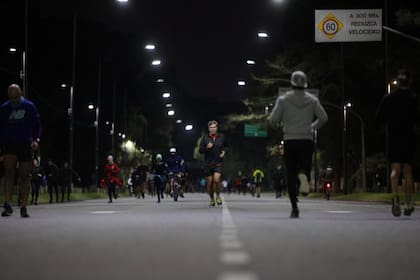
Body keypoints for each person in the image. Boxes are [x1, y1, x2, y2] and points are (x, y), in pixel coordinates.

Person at [269, 71, 328, 218]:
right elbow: (323, 118)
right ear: (305, 84)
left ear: (292, 83)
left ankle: (294, 208)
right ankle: (303, 176)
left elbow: (273, 119)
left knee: (290, 172)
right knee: (305, 167)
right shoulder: (312, 100)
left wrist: (280, 125)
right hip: (306, 139)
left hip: (290, 139)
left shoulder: (283, 100)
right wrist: (312, 127)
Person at [376, 69, 419, 217]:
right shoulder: (414, 98)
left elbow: (379, 117)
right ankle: (408, 203)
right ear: (410, 82)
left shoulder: (388, 98)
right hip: (409, 136)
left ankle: (395, 199)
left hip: (393, 136)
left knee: (395, 169)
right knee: (408, 171)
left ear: (398, 82)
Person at [0, 84, 41, 218]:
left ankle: (23, 205)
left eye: (16, 97)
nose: (14, 100)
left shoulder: (29, 106)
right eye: (11, 97)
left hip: (25, 144)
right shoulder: (5, 108)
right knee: (9, 172)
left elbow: (37, 125)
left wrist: (36, 140)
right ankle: (7, 204)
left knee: (24, 176)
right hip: (9, 145)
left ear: (20, 93)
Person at [199, 120, 228, 207]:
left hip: (218, 162)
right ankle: (211, 199)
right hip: (208, 164)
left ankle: (218, 196)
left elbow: (226, 146)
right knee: (210, 182)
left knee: (216, 180)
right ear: (209, 129)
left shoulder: (222, 137)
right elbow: (200, 150)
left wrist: (224, 152)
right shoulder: (205, 138)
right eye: (211, 127)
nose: (213, 129)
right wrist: (207, 147)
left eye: (214, 127)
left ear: (217, 128)